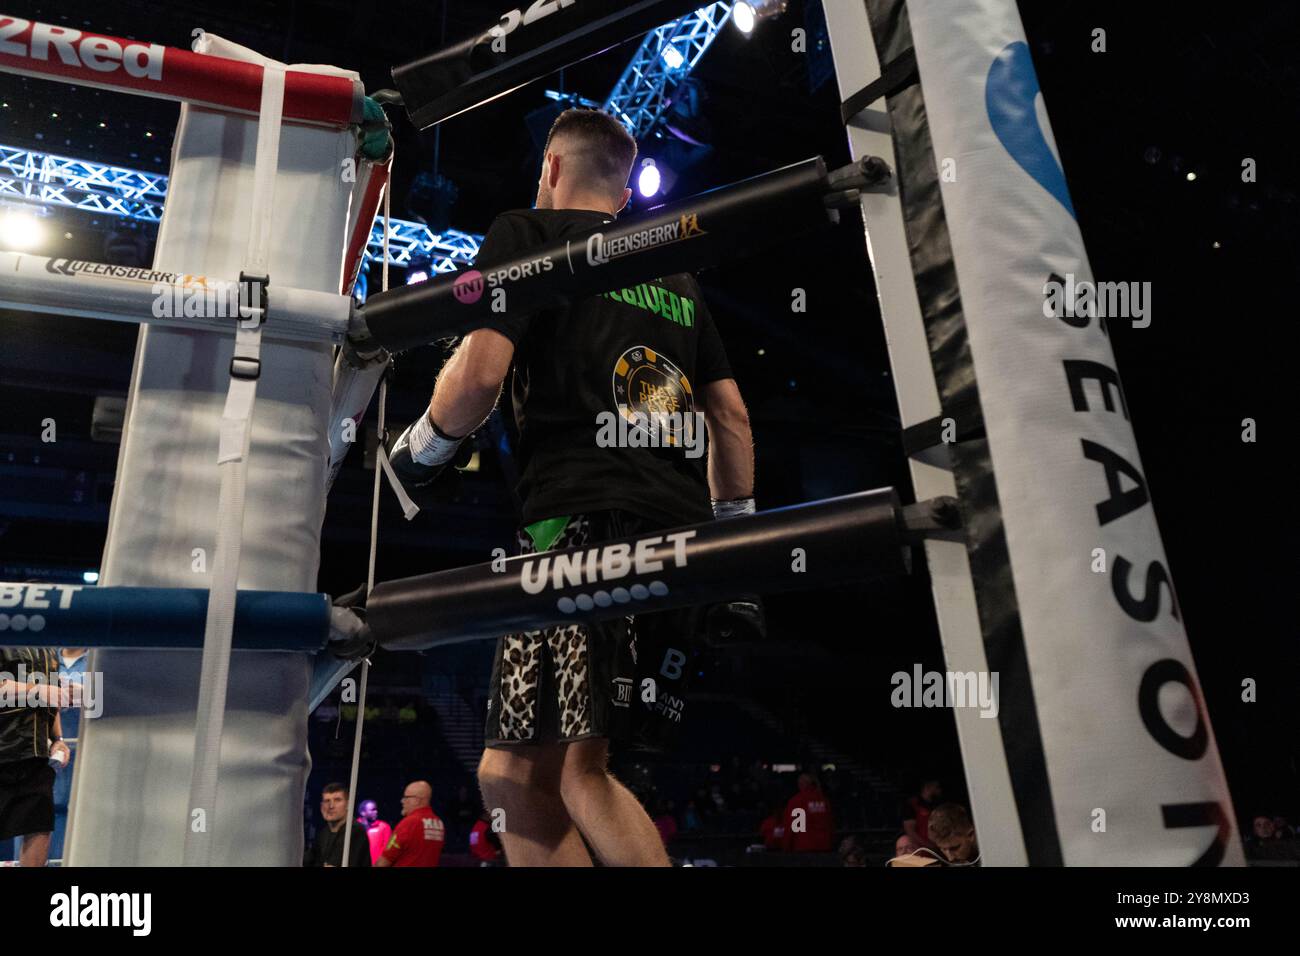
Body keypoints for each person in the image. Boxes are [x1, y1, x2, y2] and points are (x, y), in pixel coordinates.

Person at [387, 107, 755, 867]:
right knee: (515, 771)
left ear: (551, 168)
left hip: (580, 525)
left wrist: (422, 447)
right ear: (622, 192)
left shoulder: (527, 233)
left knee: (582, 774)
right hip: (679, 535)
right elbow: (731, 417)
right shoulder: (674, 272)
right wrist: (734, 540)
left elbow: (480, 377)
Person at [0, 646, 71, 867]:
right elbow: (43, 691)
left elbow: (52, 696)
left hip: (36, 756)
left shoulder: (47, 647)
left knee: (39, 828)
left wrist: (58, 739)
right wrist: (36, 690)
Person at [378, 780, 445, 867]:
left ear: (416, 800)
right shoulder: (439, 823)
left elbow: (383, 862)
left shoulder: (409, 823)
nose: (402, 801)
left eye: (406, 797)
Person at [303, 783, 371, 868]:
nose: (331, 806)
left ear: (348, 805)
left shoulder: (355, 832)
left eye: (337, 800)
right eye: (327, 801)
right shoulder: (323, 833)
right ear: (321, 807)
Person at [782, 773, 834, 853]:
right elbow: (830, 823)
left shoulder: (796, 800)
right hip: (824, 846)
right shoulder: (824, 800)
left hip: (803, 847)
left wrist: (786, 847)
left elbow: (791, 826)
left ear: (801, 784)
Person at [902, 778, 942, 851]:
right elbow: (910, 831)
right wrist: (928, 846)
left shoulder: (938, 805)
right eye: (937, 787)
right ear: (928, 787)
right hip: (921, 851)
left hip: (939, 849)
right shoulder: (912, 804)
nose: (940, 790)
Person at [356, 799, 392, 865]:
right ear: (362, 812)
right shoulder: (354, 826)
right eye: (372, 810)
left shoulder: (384, 827)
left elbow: (388, 850)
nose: (376, 812)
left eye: (376, 809)